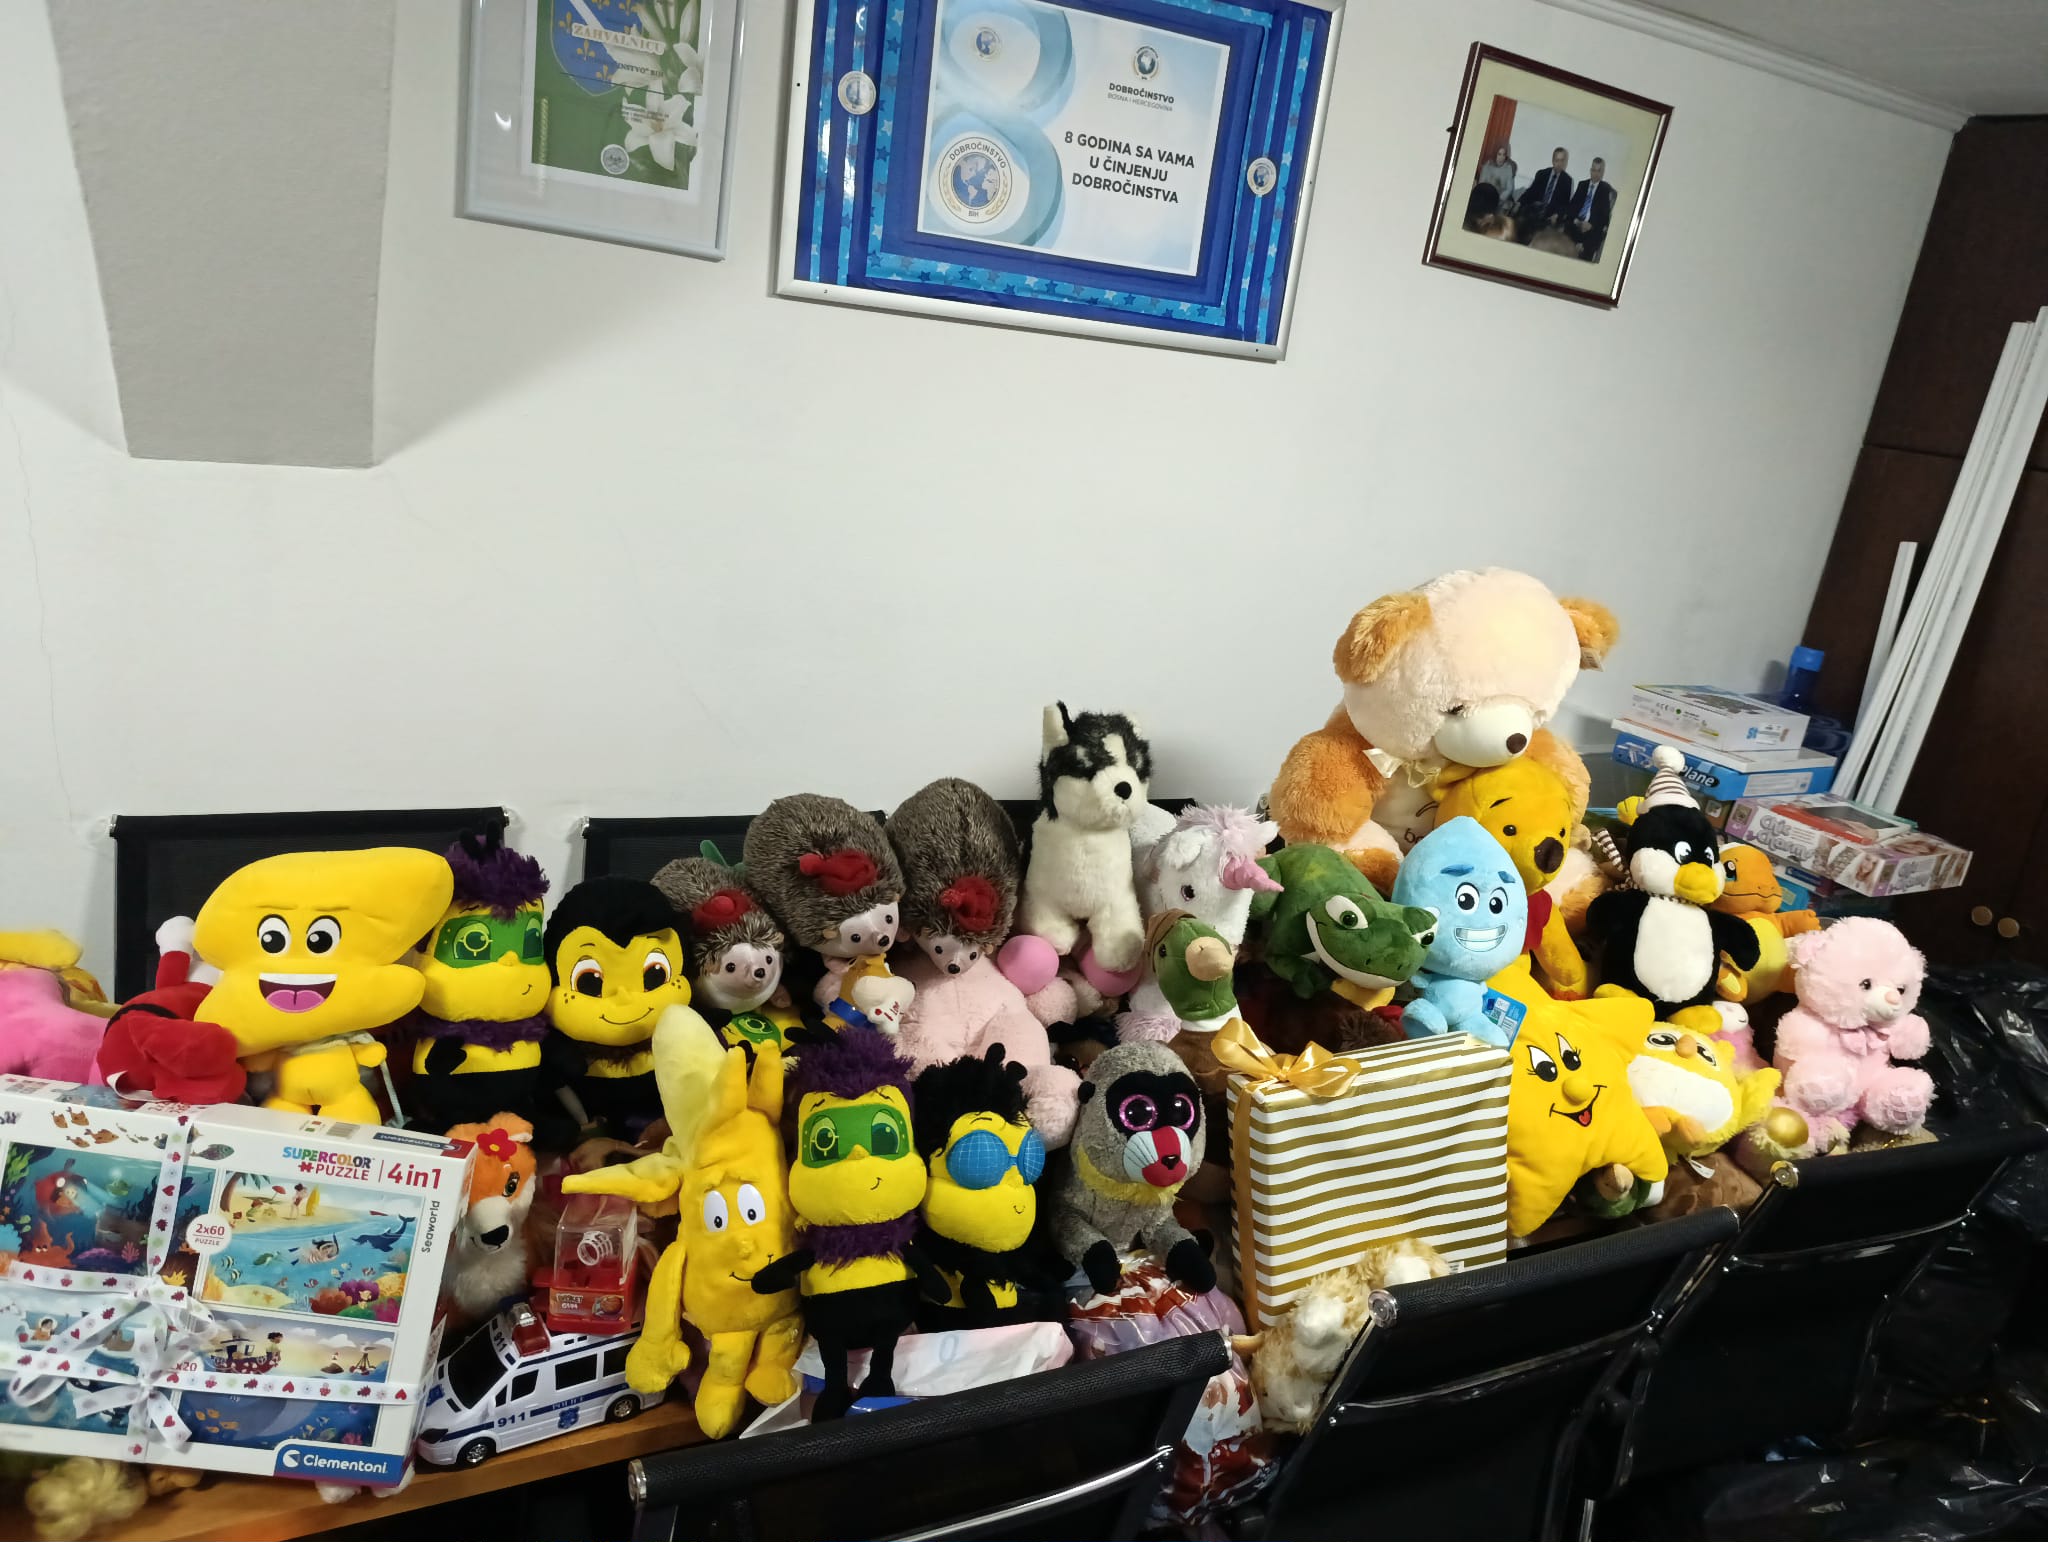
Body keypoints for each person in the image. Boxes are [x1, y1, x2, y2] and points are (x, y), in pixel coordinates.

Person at [1515, 147, 1572, 244]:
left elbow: (1565, 204)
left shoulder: (1567, 180)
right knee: (1523, 222)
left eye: (1562, 160)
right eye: (1557, 160)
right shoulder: (1542, 174)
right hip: (1535, 209)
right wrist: (1519, 202)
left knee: (1542, 230)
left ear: (1565, 162)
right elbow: (1530, 192)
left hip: (1550, 214)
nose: (1559, 164)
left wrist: (1557, 215)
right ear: (1553, 160)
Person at [1567, 157, 1617, 260]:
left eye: (1599, 171)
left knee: (1593, 240)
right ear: (1590, 170)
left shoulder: (1605, 189)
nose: (1596, 174)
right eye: (1594, 170)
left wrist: (1591, 225)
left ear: (1602, 172)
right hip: (1576, 224)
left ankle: (1583, 248)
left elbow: (1605, 217)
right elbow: (1571, 208)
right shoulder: (1582, 185)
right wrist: (1577, 221)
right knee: (1567, 230)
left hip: (1591, 229)